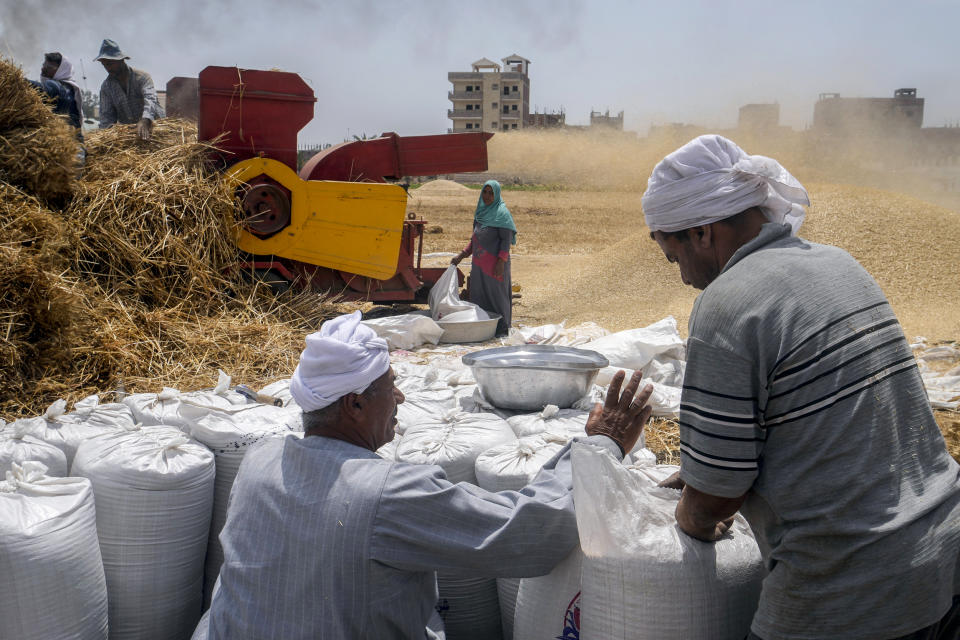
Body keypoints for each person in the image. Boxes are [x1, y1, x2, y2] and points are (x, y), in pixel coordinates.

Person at [644, 134, 960, 640]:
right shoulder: (839, 264)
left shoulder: (727, 305)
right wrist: (711, 462)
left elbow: (712, 502)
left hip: (849, 586)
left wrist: (689, 517)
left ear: (702, 232)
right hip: (939, 550)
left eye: (671, 256)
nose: (681, 277)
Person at [194, 310, 653, 639]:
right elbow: (527, 532)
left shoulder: (258, 461)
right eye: (388, 386)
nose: (401, 397)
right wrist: (600, 445)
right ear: (354, 404)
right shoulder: (387, 493)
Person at [451, 180, 516, 336]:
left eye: (491, 193)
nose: (487, 196)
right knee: (479, 296)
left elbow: (505, 242)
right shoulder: (480, 213)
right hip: (479, 266)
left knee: (496, 297)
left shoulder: (502, 214)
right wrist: (462, 255)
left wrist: (501, 262)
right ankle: (483, 329)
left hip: (495, 265)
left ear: (497, 194)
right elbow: (475, 239)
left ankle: (501, 328)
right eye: (485, 192)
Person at [94, 38, 164, 140]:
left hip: (157, 128)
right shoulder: (106, 87)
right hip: (133, 135)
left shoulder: (142, 77)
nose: (108, 68)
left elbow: (150, 99)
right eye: (104, 65)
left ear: (121, 60)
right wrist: (104, 137)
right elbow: (106, 117)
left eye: (110, 64)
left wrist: (145, 119)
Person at [29, 52, 84, 130]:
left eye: (49, 67)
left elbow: (43, 89)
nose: (43, 68)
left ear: (61, 70)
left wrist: (20, 81)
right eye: (44, 65)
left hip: (66, 140)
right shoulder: (70, 88)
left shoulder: (60, 87)